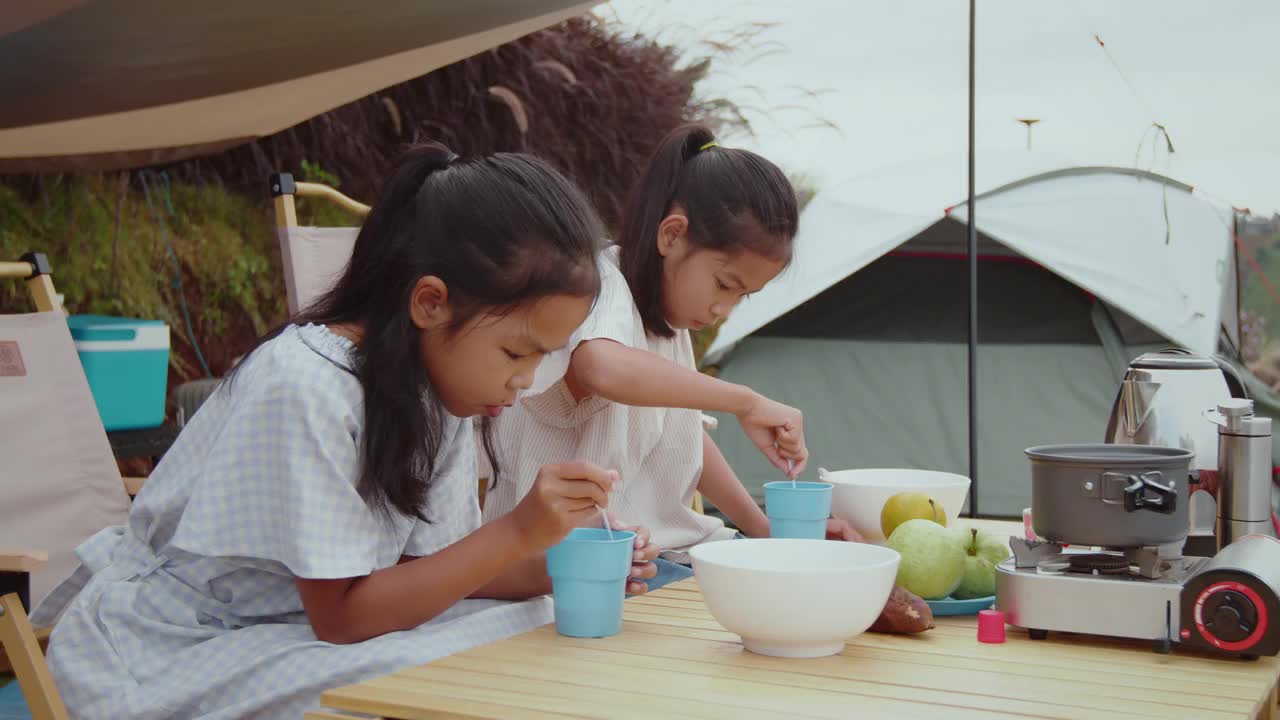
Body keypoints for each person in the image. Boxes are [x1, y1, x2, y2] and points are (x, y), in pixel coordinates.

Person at [32, 144, 658, 719]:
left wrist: (565, 567)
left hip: (297, 626)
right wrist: (516, 529)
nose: (526, 380)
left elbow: (434, 571)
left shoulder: (436, 391)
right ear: (431, 303)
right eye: (518, 352)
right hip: (178, 640)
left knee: (535, 619)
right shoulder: (304, 384)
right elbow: (343, 618)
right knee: (417, 672)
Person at [482, 125, 860, 592]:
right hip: (574, 569)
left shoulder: (670, 326)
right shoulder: (598, 284)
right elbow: (599, 367)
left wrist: (765, 530)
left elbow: (680, 437)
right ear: (672, 235)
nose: (724, 309)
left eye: (744, 296)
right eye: (725, 284)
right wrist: (745, 402)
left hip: (662, 557)